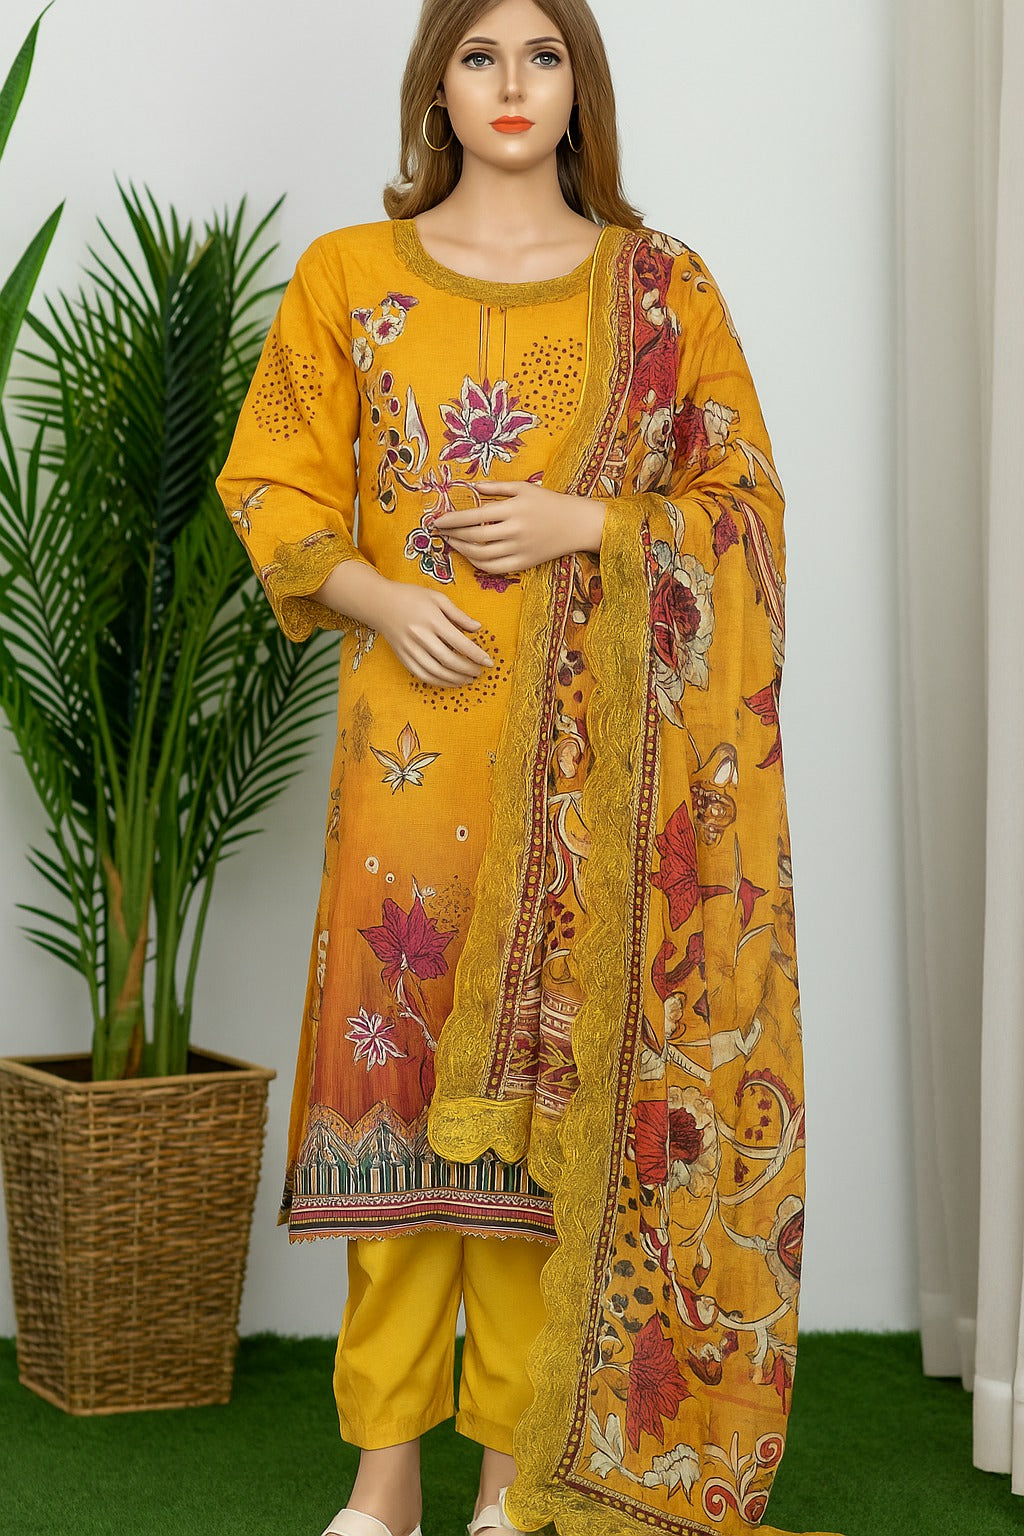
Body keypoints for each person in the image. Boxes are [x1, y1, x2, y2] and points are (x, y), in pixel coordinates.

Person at [216, 3, 842, 1535]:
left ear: (581, 86)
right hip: (408, 769)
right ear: (437, 83)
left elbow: (744, 512)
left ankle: (513, 1477)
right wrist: (378, 599)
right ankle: (383, 1480)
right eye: (482, 55)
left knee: (535, 1123)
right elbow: (274, 480)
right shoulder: (348, 275)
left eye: (544, 56)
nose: (512, 85)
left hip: (588, 789)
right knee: (395, 1109)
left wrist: (590, 528)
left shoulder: (659, 288)